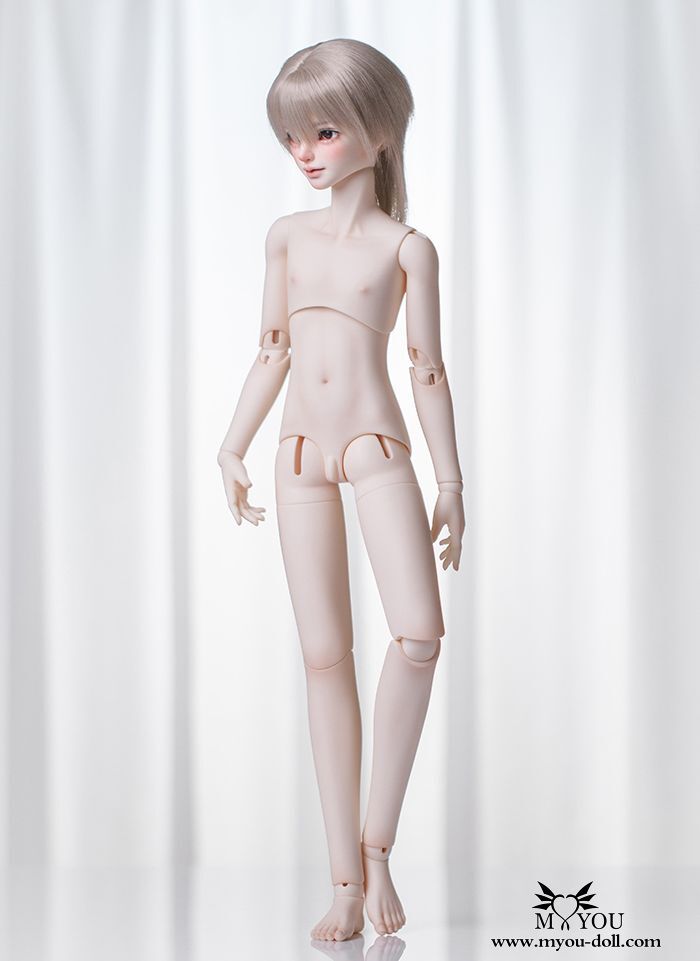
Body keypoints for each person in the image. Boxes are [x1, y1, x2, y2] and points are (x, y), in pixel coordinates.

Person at [217, 38, 465, 942]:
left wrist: (450, 479)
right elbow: (272, 350)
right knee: (324, 656)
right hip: (296, 451)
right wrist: (231, 444)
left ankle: (377, 845)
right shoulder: (285, 237)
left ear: (380, 131)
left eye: (324, 131)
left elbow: (427, 369)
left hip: (375, 443)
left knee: (419, 633)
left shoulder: (408, 248)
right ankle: (344, 882)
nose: (306, 152)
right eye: (294, 136)